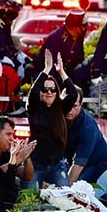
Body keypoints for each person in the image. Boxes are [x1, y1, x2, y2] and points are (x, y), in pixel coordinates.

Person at [23, 50, 70, 189]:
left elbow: (72, 93)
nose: (49, 92)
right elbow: (33, 92)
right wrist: (46, 69)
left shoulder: (61, 108)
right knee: (28, 201)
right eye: (45, 89)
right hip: (36, 163)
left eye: (52, 89)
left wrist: (61, 72)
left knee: (66, 199)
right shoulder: (34, 107)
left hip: (57, 164)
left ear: (57, 92)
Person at [25, 9, 90, 87]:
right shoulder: (56, 38)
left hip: (64, 73)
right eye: (83, 26)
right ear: (75, 27)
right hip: (46, 74)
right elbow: (51, 64)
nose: (84, 29)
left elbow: (79, 57)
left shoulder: (78, 37)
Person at [63, 84, 107, 183]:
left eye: (74, 106)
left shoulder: (88, 126)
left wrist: (64, 190)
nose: (69, 109)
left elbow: (79, 164)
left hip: (95, 163)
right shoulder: (59, 117)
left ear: (80, 105)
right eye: (66, 104)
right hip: (71, 158)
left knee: (79, 186)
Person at [0, 115, 36, 195]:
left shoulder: (7, 153)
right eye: (8, 134)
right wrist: (20, 157)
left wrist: (27, 156)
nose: (12, 138)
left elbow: (27, 176)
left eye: (12, 135)